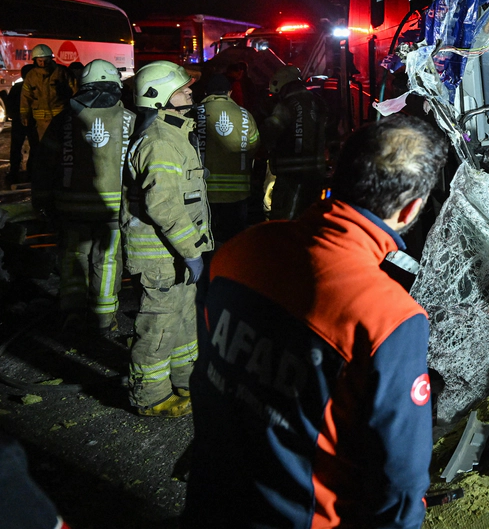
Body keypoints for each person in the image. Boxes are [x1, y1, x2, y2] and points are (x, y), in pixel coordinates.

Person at [183, 115, 449, 529]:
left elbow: (208, 375)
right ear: (412, 207)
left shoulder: (240, 250)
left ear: (336, 171)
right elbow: (399, 476)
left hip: (209, 498)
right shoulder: (388, 317)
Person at [123, 60, 212, 417]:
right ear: (158, 97)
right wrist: (192, 252)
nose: (190, 90)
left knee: (184, 320)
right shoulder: (160, 142)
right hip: (161, 256)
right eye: (182, 88)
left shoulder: (174, 133)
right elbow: (163, 205)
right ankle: (150, 397)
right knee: (158, 326)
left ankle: (184, 380)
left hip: (176, 252)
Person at [38, 59, 136, 334]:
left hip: (69, 208)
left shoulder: (64, 119)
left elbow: (44, 162)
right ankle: (103, 320)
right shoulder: (129, 118)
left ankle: (71, 311)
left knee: (73, 257)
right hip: (113, 210)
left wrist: (42, 200)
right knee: (106, 261)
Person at [195, 73, 259, 246]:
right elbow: (254, 145)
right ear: (229, 92)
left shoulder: (195, 112)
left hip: (203, 191)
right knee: (234, 241)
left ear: (206, 93)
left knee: (206, 241)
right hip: (238, 193)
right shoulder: (245, 114)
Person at [260, 66, 329, 220]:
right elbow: (330, 133)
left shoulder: (286, 105)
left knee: (284, 220)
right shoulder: (319, 102)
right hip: (316, 173)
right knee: (309, 218)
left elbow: (269, 132)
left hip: (290, 175)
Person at [21, 45, 74, 202]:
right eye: (39, 61)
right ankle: (46, 181)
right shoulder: (31, 76)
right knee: (44, 152)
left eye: (45, 60)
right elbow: (26, 97)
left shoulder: (62, 73)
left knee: (61, 151)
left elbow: (75, 90)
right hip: (41, 123)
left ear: (51, 59)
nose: (42, 64)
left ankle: (59, 179)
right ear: (35, 61)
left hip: (60, 119)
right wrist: (24, 114)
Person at [5, 63, 35, 187]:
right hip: (32, 120)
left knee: (16, 146)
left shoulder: (17, 87)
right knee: (34, 145)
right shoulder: (35, 87)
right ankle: (31, 170)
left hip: (18, 121)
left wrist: (12, 115)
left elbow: (10, 104)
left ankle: (14, 170)